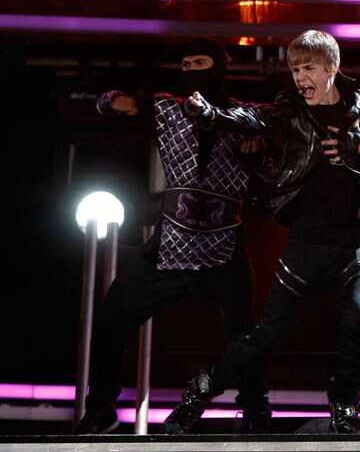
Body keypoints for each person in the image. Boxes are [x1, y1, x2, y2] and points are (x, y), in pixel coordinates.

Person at [160, 29, 360, 435]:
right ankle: (200, 390)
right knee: (267, 336)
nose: (300, 77)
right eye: (295, 69)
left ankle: (344, 411)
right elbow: (255, 117)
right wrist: (213, 115)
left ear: (331, 67)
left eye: (308, 67)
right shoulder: (291, 108)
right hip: (306, 242)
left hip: (357, 240)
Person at [73, 37, 273, 435]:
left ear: (218, 67)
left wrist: (258, 156)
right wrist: (115, 101)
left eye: (202, 63)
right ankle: (102, 409)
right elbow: (110, 101)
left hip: (223, 247)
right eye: (187, 64)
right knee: (112, 319)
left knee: (243, 332)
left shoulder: (250, 116)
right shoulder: (167, 108)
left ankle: (255, 411)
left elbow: (274, 176)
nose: (193, 71)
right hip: (169, 248)